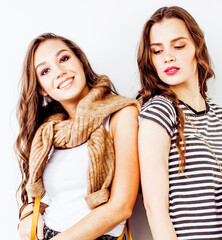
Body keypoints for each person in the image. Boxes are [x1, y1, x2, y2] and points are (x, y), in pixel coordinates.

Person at [16, 33, 140, 240]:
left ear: (81, 61)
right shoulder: (49, 132)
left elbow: (122, 207)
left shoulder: (121, 113)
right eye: (45, 71)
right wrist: (29, 211)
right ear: (41, 88)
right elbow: (64, 199)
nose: (60, 72)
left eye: (64, 59)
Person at [137, 6, 222, 240]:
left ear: (197, 47)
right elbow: (155, 208)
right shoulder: (160, 111)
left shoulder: (218, 115)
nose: (168, 57)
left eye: (178, 46)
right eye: (157, 50)